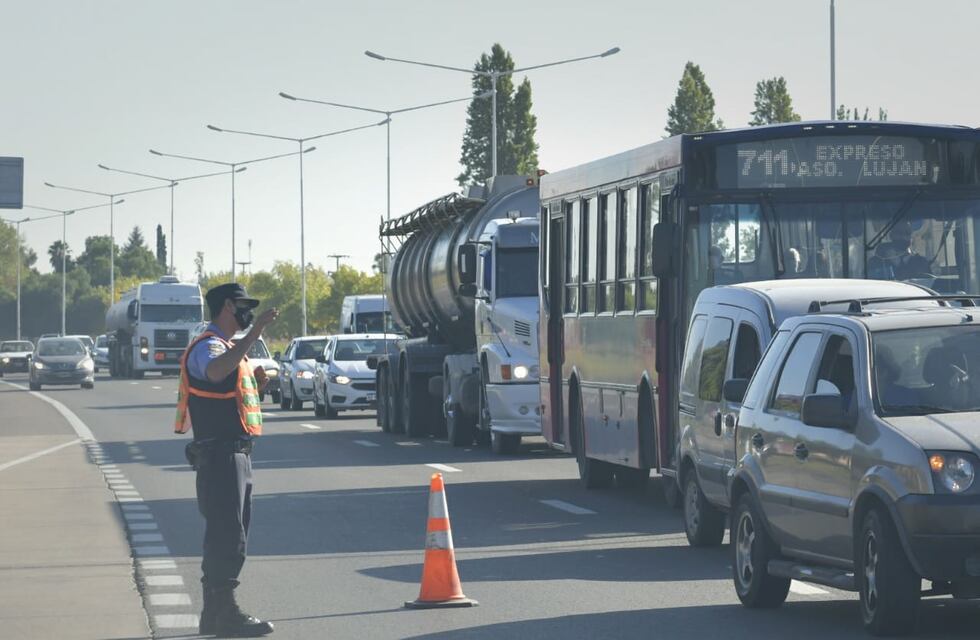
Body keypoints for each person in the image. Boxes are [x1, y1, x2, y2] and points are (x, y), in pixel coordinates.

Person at [175, 282, 279, 637]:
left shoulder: (224, 347)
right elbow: (215, 371)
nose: (248, 313)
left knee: (227, 531)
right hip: (220, 454)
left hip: (230, 452)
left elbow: (222, 386)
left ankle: (214, 614)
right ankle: (226, 614)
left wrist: (255, 385)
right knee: (228, 534)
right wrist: (256, 334)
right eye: (244, 306)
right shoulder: (208, 345)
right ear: (227, 307)